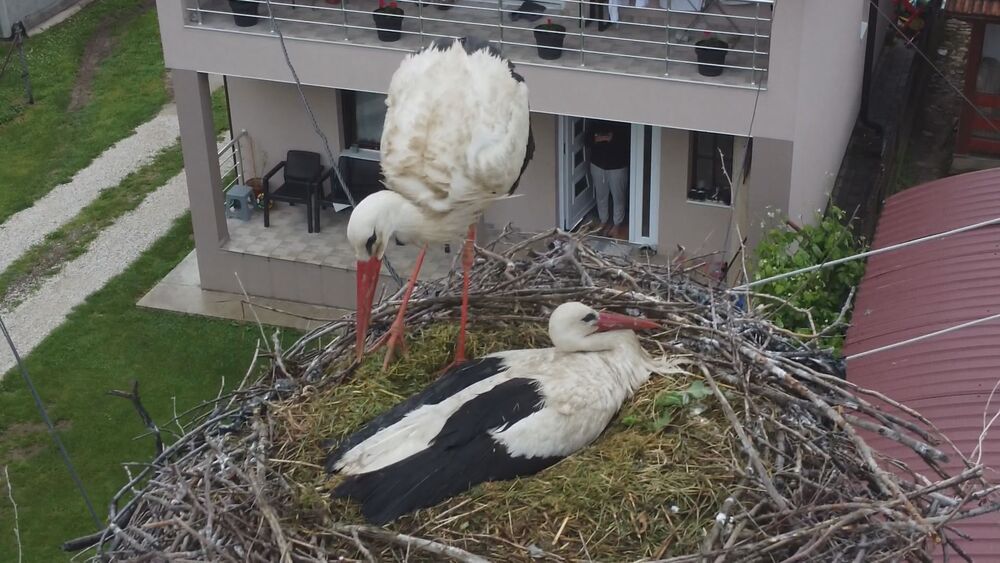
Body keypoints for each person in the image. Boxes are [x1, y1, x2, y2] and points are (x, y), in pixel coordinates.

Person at [585, 119, 630, 238]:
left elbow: (623, 142)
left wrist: (599, 137)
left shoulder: (622, 123)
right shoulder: (595, 121)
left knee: (618, 197)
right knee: (601, 196)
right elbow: (587, 140)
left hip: (618, 167)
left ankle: (617, 224)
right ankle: (603, 221)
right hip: (597, 165)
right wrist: (605, 137)